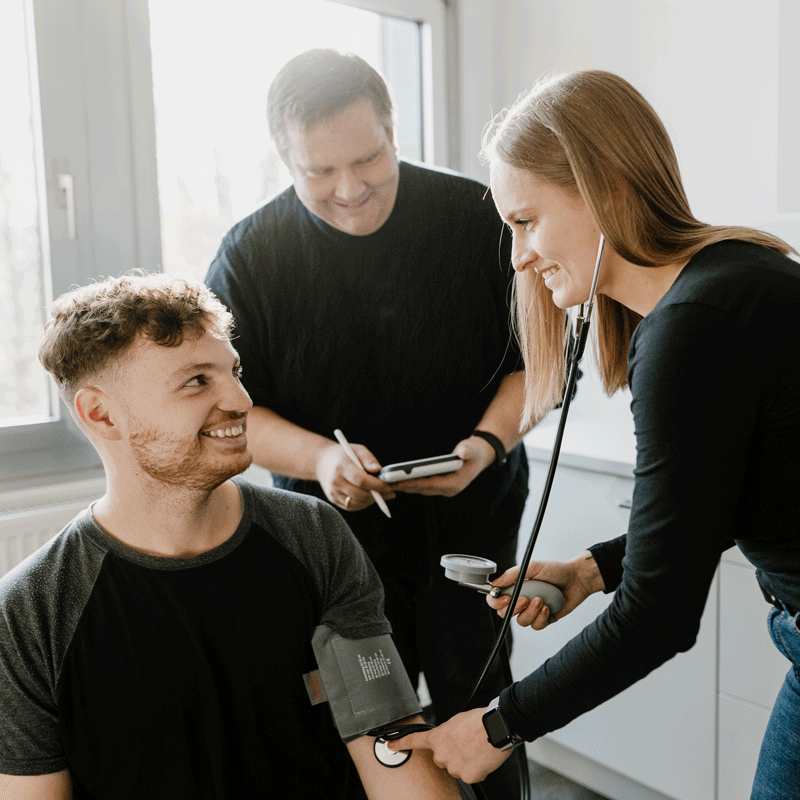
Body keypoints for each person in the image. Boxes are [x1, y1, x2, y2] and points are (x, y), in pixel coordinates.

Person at [388, 69, 800, 799]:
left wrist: (494, 726)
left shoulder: (692, 329)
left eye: (526, 222)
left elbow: (659, 615)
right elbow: (736, 499)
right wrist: (589, 569)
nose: (517, 256)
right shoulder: (734, 278)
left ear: (605, 189)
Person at [205, 49, 530, 798]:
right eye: (320, 173)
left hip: (471, 531)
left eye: (370, 158)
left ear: (393, 129)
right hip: (331, 543)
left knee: (479, 716)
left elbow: (536, 363)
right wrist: (322, 460)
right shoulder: (250, 256)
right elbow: (230, 412)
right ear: (285, 158)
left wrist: (484, 447)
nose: (351, 190)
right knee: (351, 728)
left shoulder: (477, 218)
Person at [0, 273, 462, 800]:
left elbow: (390, 745)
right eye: (197, 380)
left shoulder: (312, 535)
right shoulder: (30, 613)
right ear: (101, 414)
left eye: (234, 372)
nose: (241, 400)